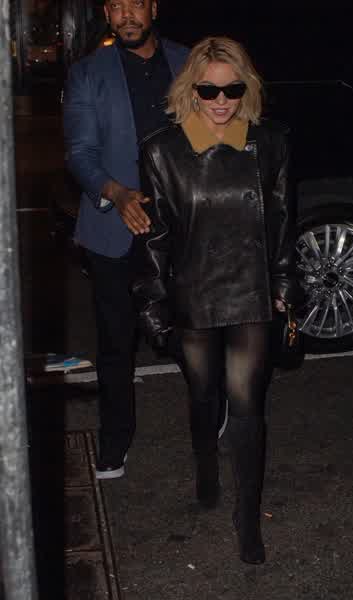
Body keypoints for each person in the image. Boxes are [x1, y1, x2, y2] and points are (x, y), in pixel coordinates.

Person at [132, 36, 298, 564]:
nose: (221, 101)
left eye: (232, 89)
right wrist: (153, 303)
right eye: (208, 90)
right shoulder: (163, 150)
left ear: (247, 88)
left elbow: (282, 222)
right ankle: (206, 463)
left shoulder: (270, 143)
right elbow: (156, 236)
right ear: (191, 89)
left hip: (250, 291)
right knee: (204, 396)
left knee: (248, 405)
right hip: (195, 293)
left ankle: (247, 518)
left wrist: (284, 287)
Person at [63, 0, 189, 479]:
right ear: (107, 12)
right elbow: (80, 152)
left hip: (181, 223)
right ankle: (115, 440)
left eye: (135, 3)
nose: (126, 15)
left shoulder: (187, 61)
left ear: (153, 7)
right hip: (115, 225)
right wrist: (116, 194)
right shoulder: (88, 73)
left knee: (193, 328)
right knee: (116, 343)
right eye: (116, 6)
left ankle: (213, 405)